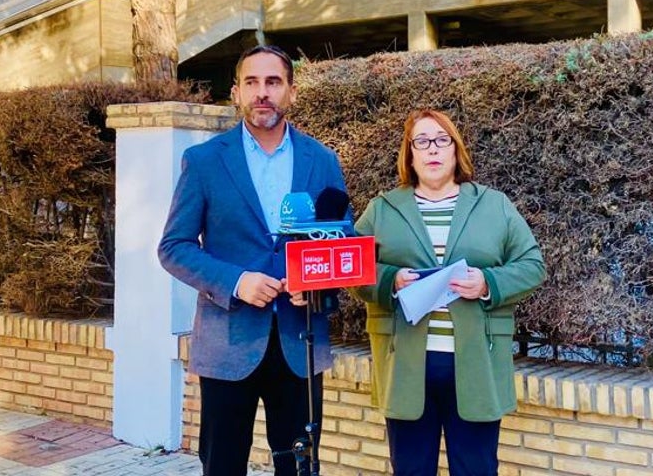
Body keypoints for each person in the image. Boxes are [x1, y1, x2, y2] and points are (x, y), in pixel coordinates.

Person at [158, 45, 347, 476]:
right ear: (236, 92)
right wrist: (237, 280)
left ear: (291, 93)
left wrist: (316, 284)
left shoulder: (322, 161)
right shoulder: (205, 161)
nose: (263, 93)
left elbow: (341, 242)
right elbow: (174, 246)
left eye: (274, 82)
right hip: (228, 342)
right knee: (223, 466)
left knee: (299, 468)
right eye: (252, 82)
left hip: (301, 343)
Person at [352, 109, 546, 476]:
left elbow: (533, 265)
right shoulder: (383, 209)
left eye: (442, 140)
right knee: (410, 469)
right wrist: (389, 279)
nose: (432, 150)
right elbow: (351, 267)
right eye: (421, 142)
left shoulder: (493, 205)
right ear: (409, 154)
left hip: (475, 362)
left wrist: (489, 282)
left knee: (476, 468)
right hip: (407, 364)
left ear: (456, 150)